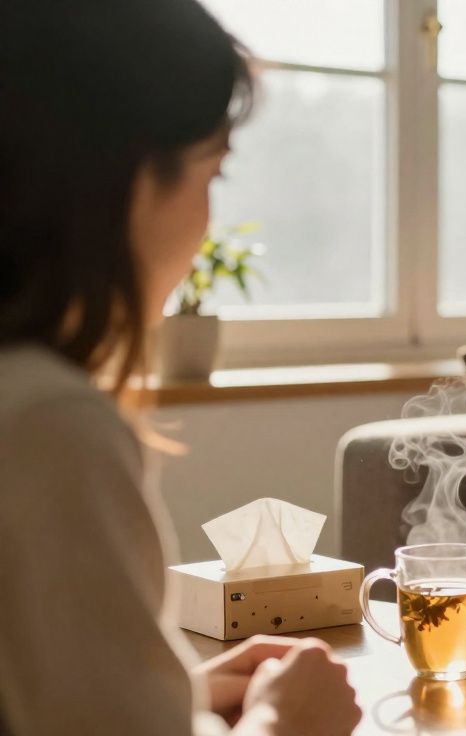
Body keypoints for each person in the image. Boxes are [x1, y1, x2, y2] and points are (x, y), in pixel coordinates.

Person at [0, 1, 362, 733]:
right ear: (129, 175)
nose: (205, 226)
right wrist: (287, 720)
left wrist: (177, 692)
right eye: (211, 176)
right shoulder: (47, 422)